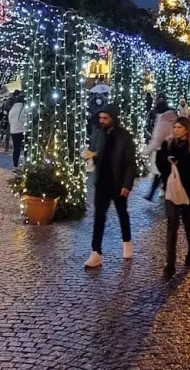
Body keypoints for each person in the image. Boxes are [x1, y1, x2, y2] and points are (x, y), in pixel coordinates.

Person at [84, 104, 136, 268]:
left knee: (122, 214)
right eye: (100, 118)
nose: (102, 121)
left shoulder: (124, 137)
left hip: (118, 182)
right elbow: (94, 151)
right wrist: (91, 156)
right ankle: (96, 252)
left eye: (105, 118)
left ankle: (127, 242)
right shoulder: (97, 133)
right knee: (99, 217)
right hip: (102, 181)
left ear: (113, 118)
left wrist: (127, 184)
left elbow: (130, 163)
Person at [156, 117, 190, 279]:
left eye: (179, 127)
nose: (176, 130)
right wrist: (168, 163)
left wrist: (180, 164)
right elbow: (160, 164)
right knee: (172, 225)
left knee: (187, 221)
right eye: (175, 127)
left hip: (189, 191)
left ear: (187, 129)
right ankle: (170, 265)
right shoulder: (168, 144)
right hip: (171, 190)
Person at [145, 101, 178, 201]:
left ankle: (164, 195)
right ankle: (155, 194)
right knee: (164, 174)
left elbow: (157, 140)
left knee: (160, 173)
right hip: (172, 150)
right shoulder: (172, 118)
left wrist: (146, 151)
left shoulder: (162, 122)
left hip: (162, 152)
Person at [7, 93, 28, 168]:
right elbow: (27, 118)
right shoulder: (25, 107)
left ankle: (15, 166)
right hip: (23, 130)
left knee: (16, 149)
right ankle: (25, 163)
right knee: (26, 147)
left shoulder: (12, 108)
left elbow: (9, 119)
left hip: (14, 130)